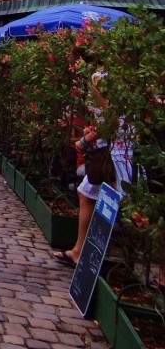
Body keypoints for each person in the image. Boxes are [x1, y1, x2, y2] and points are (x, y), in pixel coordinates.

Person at [54, 69, 134, 268]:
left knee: (133, 208)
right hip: (111, 149)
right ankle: (78, 251)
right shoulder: (113, 78)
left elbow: (113, 120)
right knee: (86, 194)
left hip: (119, 152)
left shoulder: (99, 79)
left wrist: (86, 138)